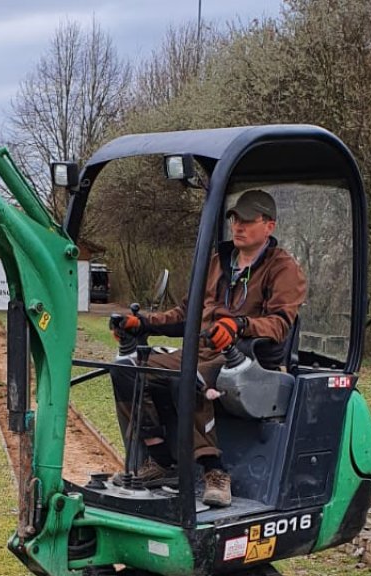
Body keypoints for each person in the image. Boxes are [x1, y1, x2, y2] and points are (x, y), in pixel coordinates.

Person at [109, 189, 307, 507]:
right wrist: (143, 323)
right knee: (127, 370)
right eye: (234, 219)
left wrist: (240, 326)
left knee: (189, 377)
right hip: (201, 351)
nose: (238, 226)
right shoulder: (217, 261)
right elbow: (185, 315)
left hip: (246, 359)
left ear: (269, 225)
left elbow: (279, 324)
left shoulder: (284, 269)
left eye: (247, 220)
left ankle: (215, 472)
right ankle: (161, 461)